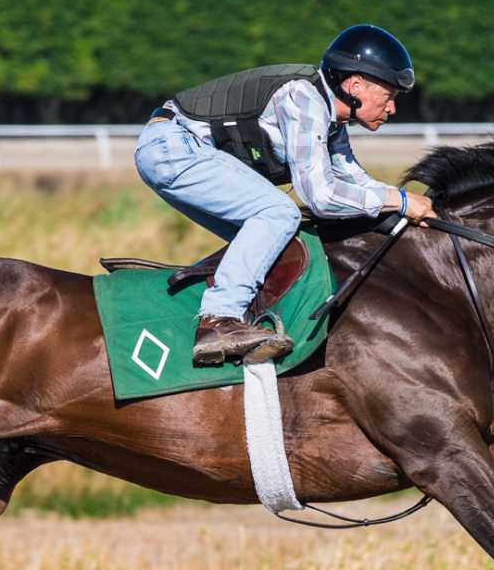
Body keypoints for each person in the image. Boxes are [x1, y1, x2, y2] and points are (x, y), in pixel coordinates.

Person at [134, 23, 437, 367]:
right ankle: (219, 319)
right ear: (355, 86)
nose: (392, 109)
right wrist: (400, 201)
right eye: (389, 97)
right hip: (172, 148)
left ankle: (243, 316)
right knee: (279, 213)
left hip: (176, 150)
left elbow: (356, 181)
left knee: (285, 240)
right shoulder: (302, 98)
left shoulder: (331, 121)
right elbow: (321, 197)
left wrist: (409, 211)